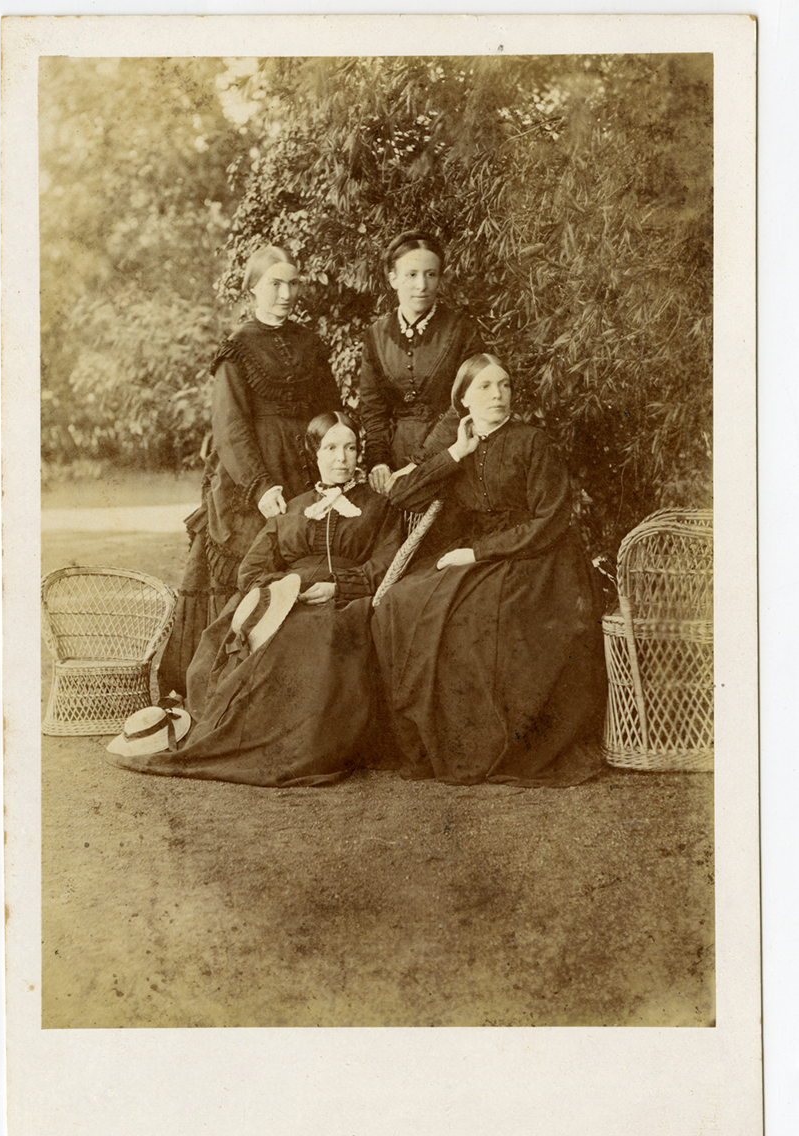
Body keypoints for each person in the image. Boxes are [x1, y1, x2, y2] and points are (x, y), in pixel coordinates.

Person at [109, 413, 402, 787]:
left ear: (359, 453)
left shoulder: (379, 507)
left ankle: (296, 745)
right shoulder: (291, 508)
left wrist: (339, 586)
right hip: (283, 596)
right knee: (233, 634)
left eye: (350, 448)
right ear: (314, 453)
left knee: (315, 636)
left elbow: (387, 563)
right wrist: (282, 589)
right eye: (330, 448)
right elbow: (251, 569)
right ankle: (241, 733)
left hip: (343, 600)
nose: (341, 458)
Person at [371, 354, 607, 787]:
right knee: (400, 603)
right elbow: (401, 495)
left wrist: (477, 552)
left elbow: (551, 520)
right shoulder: (459, 447)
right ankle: (436, 742)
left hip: (539, 559)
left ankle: (489, 745)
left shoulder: (532, 442)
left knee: (475, 617)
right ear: (462, 399)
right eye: (484, 386)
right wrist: (455, 453)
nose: (498, 395)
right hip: (479, 555)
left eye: (504, 385)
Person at [158, 244, 341, 696]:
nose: (285, 294)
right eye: (274, 284)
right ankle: (226, 685)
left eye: (292, 284)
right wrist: (260, 486)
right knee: (249, 571)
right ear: (252, 288)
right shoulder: (237, 349)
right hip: (253, 477)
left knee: (304, 568)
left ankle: (295, 687)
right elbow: (230, 428)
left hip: (306, 470)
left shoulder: (310, 344)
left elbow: (330, 410)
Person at [358, 229, 484, 495]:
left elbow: (466, 402)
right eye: (411, 275)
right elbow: (373, 408)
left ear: (440, 278)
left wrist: (422, 462)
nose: (422, 285)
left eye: (431, 274)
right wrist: (378, 461)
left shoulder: (462, 330)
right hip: (393, 458)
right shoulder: (375, 336)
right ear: (393, 279)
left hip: (452, 453)